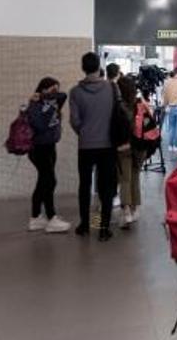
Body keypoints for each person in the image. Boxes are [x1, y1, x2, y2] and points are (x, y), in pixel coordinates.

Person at [69, 52, 119, 242]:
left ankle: (84, 225)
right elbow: (117, 115)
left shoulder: (75, 92)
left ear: (83, 68)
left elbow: (74, 121)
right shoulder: (111, 88)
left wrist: (84, 133)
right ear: (99, 67)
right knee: (106, 187)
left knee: (85, 185)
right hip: (107, 145)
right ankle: (103, 229)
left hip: (86, 146)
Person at [25, 77, 71, 234]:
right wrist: (37, 99)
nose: (55, 93)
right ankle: (51, 218)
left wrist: (47, 96)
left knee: (43, 181)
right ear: (42, 89)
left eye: (56, 90)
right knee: (50, 181)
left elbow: (64, 95)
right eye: (52, 90)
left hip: (50, 146)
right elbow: (39, 125)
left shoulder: (52, 101)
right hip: (38, 149)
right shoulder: (34, 105)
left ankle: (36, 217)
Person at [116, 73, 141, 228]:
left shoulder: (118, 106)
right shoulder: (139, 103)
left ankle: (126, 211)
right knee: (135, 176)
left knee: (125, 178)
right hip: (139, 146)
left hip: (123, 146)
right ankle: (135, 208)